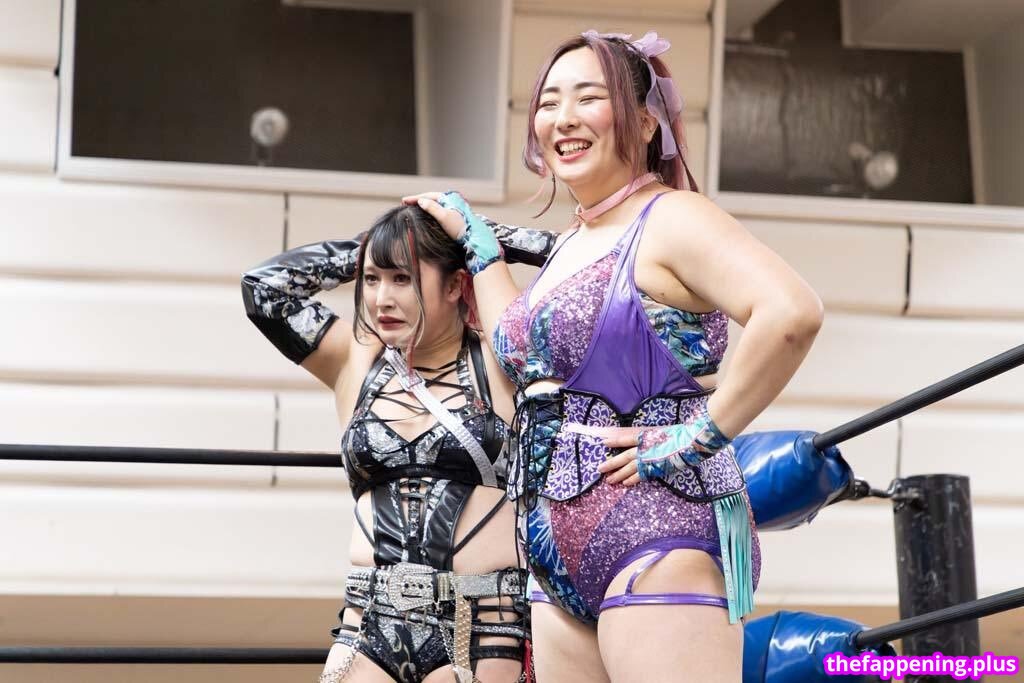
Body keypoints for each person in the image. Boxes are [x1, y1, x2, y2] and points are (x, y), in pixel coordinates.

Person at [407, 30, 824, 683]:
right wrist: (479, 248)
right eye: (549, 102)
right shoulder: (572, 242)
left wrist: (698, 433)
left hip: (660, 531)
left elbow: (791, 311)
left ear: (647, 121)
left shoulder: (672, 217)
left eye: (588, 97)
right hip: (556, 550)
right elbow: (519, 347)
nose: (563, 118)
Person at [241, 206, 555, 683]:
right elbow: (264, 288)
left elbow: (587, 266)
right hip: (367, 623)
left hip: (481, 625)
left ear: (456, 284)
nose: (381, 298)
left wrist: (473, 237)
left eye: (402, 279)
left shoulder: (502, 359)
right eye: (371, 279)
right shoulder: (354, 360)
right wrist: (384, 242)